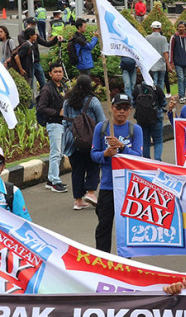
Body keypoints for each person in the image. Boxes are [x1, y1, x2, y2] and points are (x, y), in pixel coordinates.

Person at [91, 94, 144, 252]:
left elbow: (138, 158)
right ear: (111, 108)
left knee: (127, 229)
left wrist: (122, 147)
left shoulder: (135, 130)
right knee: (103, 227)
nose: (121, 111)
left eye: (125, 108)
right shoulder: (101, 128)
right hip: (108, 186)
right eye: (118, 108)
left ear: (130, 110)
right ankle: (103, 259)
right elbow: (94, 155)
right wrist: (105, 154)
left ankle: (126, 261)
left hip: (128, 188)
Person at [61, 74, 106, 211]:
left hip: (73, 140)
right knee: (93, 165)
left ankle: (78, 200)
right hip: (90, 139)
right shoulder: (93, 101)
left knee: (77, 170)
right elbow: (102, 121)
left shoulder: (67, 101)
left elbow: (64, 121)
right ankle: (91, 192)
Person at [36, 61, 70, 193]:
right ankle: (55, 181)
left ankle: (51, 180)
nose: (58, 74)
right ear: (50, 74)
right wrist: (57, 113)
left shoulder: (63, 86)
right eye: (55, 72)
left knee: (60, 153)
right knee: (55, 153)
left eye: (60, 71)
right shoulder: (46, 89)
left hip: (63, 123)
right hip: (53, 123)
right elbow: (41, 108)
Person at [134, 79, 170, 160]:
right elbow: (164, 103)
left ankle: (146, 160)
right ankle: (157, 160)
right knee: (158, 140)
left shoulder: (137, 89)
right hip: (156, 118)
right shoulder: (156, 88)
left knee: (145, 140)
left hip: (141, 119)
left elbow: (133, 103)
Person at [168, 20, 186, 92]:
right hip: (178, 62)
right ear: (177, 28)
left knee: (185, 78)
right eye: (179, 27)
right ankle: (181, 96)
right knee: (180, 78)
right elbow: (171, 50)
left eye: (182, 27)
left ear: (185, 28)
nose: (181, 28)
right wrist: (171, 62)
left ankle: (184, 94)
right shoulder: (174, 37)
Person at [144, 20, 169, 92]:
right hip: (162, 64)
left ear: (152, 28)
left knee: (153, 82)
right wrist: (168, 65)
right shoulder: (163, 38)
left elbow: (145, 51)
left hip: (152, 64)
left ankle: (153, 97)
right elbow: (165, 52)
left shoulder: (147, 38)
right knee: (161, 83)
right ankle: (160, 98)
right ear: (160, 29)